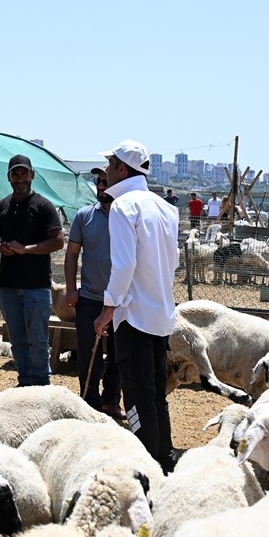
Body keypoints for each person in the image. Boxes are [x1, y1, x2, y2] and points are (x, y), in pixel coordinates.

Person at [93, 139, 178, 474]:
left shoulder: (124, 207)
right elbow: (171, 263)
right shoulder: (166, 208)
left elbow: (124, 265)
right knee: (156, 394)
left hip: (134, 317)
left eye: (110, 164)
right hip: (160, 314)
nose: (106, 170)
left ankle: (146, 469)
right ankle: (165, 460)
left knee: (137, 399)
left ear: (122, 169)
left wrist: (108, 308)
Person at [0, 154, 65, 387]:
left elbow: (58, 241)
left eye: (24, 173)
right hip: (9, 286)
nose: (20, 178)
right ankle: (25, 380)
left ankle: (41, 383)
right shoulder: (1, 206)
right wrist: (0, 247)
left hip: (36, 286)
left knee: (38, 339)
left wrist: (26, 250)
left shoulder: (44, 206)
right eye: (15, 173)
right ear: (9, 177)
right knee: (17, 339)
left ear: (32, 175)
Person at [65, 167, 122, 419]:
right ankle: (89, 403)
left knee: (119, 356)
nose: (100, 186)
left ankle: (111, 401)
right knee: (89, 354)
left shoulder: (127, 217)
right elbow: (72, 254)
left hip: (121, 300)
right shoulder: (83, 216)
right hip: (89, 298)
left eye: (105, 182)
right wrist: (70, 288)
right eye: (98, 182)